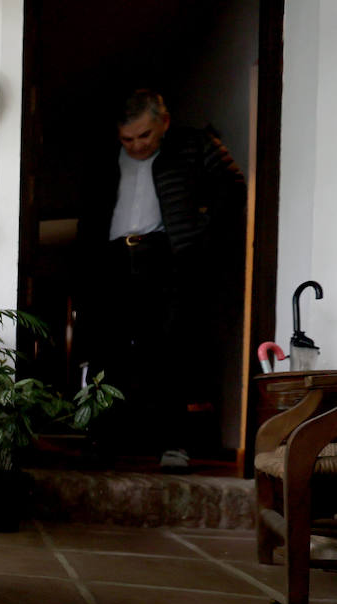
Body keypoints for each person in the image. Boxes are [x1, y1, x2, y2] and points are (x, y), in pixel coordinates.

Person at [76, 89, 246, 470]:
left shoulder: (192, 145)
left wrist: (198, 232)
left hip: (166, 257)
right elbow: (89, 214)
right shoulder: (104, 157)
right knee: (107, 351)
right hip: (113, 258)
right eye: (128, 138)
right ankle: (102, 441)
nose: (137, 145)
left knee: (171, 351)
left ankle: (174, 446)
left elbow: (233, 188)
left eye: (145, 136)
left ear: (164, 123)